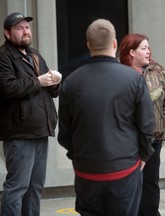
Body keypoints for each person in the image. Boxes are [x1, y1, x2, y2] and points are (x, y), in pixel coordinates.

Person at [57, 19, 155, 216]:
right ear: (115, 44)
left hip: (86, 169)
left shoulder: (71, 82)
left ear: (88, 45)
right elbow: (146, 125)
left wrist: (77, 157)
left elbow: (65, 133)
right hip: (124, 168)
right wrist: (144, 155)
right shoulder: (134, 79)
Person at [0, 12, 61, 216]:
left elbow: (52, 91)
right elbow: (8, 88)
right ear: (7, 34)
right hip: (19, 134)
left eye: (27, 27)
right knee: (17, 188)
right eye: (19, 28)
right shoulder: (3, 56)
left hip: (40, 132)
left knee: (35, 189)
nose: (26, 31)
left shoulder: (34, 55)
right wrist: (39, 81)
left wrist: (56, 81)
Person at [119, 34, 165, 216]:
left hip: (154, 140)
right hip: (127, 143)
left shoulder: (157, 71)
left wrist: (159, 125)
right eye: (143, 48)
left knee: (150, 185)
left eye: (148, 47)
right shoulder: (119, 74)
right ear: (131, 52)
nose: (148, 51)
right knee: (128, 186)